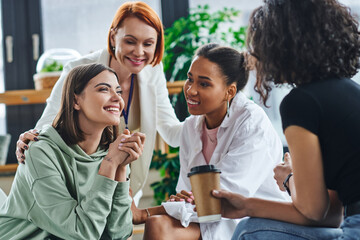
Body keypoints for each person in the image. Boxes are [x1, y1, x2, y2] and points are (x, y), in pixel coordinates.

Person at [212, 0, 360, 239]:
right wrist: (246, 205)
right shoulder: (351, 92)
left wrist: (290, 179)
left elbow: (312, 209)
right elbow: (331, 215)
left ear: (278, 47)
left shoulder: (301, 103)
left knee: (249, 231)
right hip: (350, 219)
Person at [15, 1, 182, 199]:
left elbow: (172, 133)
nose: (139, 52)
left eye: (148, 44)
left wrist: (219, 117)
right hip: (79, 186)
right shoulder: (78, 69)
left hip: (124, 187)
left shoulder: (153, 71)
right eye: (130, 41)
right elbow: (47, 126)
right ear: (113, 37)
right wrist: (29, 141)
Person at [129, 43, 290, 240]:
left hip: (251, 222)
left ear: (229, 92)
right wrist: (181, 200)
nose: (191, 90)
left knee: (158, 225)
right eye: (190, 79)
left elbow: (221, 199)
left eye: (204, 84)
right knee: (158, 225)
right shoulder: (191, 127)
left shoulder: (251, 123)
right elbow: (187, 194)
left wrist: (144, 213)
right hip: (207, 219)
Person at [0, 63, 146, 239]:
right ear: (76, 100)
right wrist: (110, 164)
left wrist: (121, 168)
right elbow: (82, 234)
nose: (117, 98)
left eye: (118, 91)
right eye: (103, 89)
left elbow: (119, 234)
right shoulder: (40, 152)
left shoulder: (113, 152)